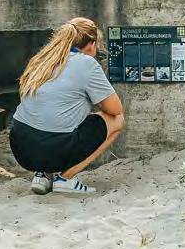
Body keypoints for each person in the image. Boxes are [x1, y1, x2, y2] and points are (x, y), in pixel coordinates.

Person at [9, 17, 125, 195]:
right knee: (116, 121)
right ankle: (66, 179)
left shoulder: (42, 59)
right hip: (52, 147)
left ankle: (43, 174)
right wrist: (95, 99)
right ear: (92, 44)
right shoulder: (87, 63)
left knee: (55, 118)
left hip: (20, 145)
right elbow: (115, 110)